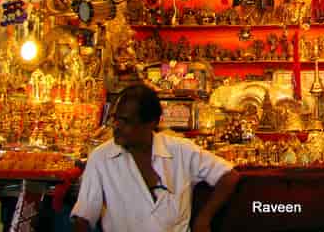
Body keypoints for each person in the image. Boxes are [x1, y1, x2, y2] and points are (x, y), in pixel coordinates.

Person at [72, 84, 240, 232]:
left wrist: (203, 220)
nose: (116, 127)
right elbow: (84, 217)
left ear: (151, 123)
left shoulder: (180, 150)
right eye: (115, 119)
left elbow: (229, 176)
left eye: (126, 121)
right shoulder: (101, 158)